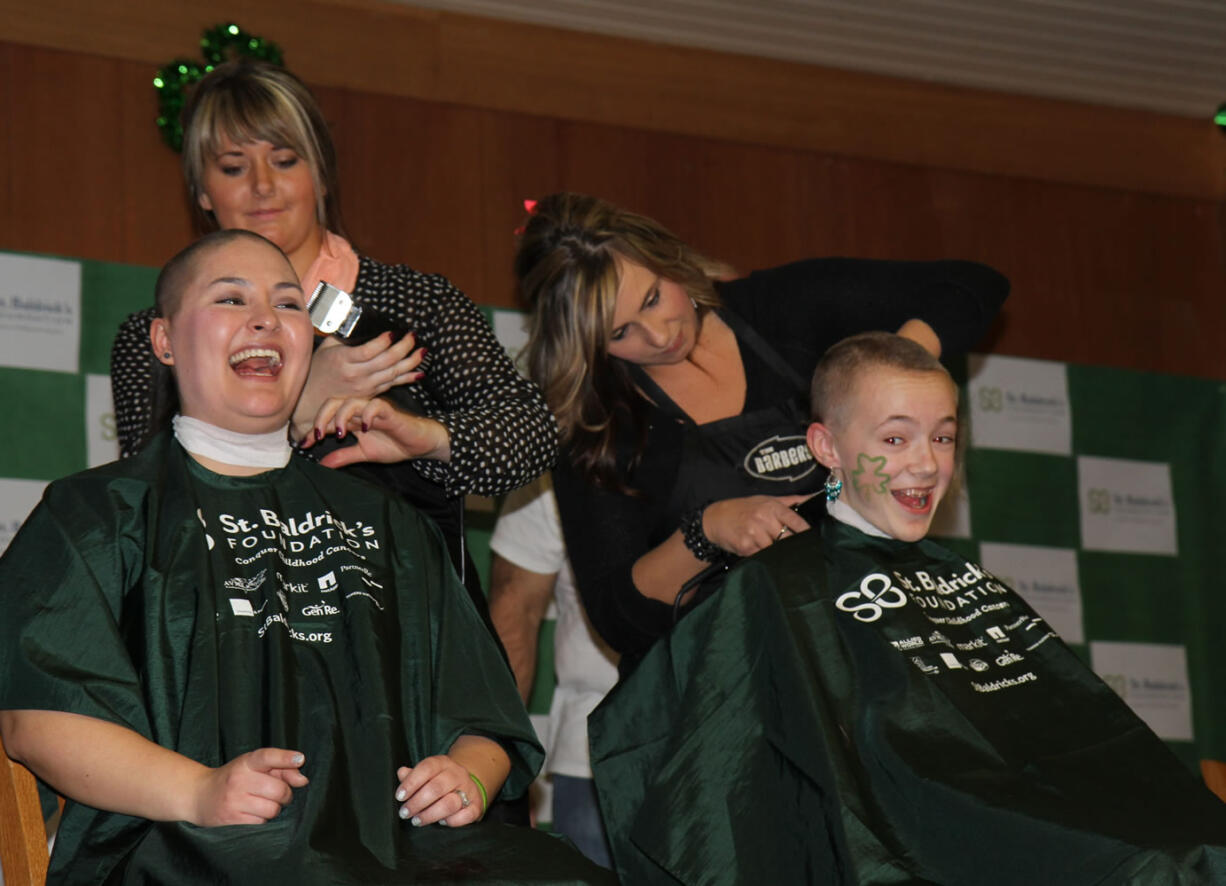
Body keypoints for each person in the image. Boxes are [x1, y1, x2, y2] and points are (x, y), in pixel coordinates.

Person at [0, 230, 612, 885]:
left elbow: (484, 719)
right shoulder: (94, 514)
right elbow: (37, 720)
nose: (265, 318)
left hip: (390, 853)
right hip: (182, 850)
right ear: (165, 340)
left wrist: (466, 775)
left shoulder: (390, 523)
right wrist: (199, 791)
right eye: (231, 298)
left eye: (289, 305)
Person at [588, 332, 1226, 885]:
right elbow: (702, 768)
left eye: (943, 436)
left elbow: (1081, 740)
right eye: (894, 438)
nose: (925, 464)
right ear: (827, 447)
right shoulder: (780, 587)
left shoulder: (971, 584)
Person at [110, 59, 557, 616]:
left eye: (284, 160)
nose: (262, 186)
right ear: (202, 191)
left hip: (408, 628)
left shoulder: (414, 302)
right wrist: (296, 411)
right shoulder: (160, 332)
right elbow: (148, 513)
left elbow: (531, 437)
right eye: (232, 167)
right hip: (236, 635)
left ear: (321, 174)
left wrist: (422, 435)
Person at [515, 192, 1009, 668]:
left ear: (666, 258)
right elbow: (618, 618)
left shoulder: (783, 310)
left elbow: (973, 285)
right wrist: (707, 531)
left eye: (651, 298)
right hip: (719, 686)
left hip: (870, 643)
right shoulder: (595, 426)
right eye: (620, 332)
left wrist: (881, 375)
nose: (660, 336)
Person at [487, 475, 619, 868]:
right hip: (593, 751)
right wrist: (502, 779)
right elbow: (517, 611)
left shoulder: (774, 432)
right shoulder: (567, 452)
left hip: (743, 737)